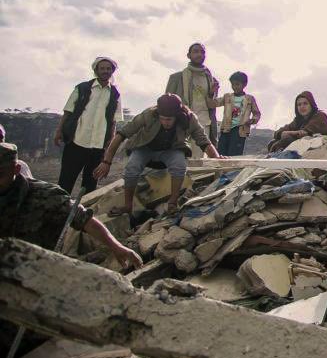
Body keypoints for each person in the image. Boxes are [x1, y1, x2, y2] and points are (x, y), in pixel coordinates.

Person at [0, 141, 142, 269]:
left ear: (17, 169)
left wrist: (116, 247)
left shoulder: (46, 196)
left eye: (0, 174)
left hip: (36, 271)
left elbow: (85, 220)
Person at [94, 94, 221, 218]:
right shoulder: (148, 114)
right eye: (163, 118)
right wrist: (106, 162)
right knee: (132, 167)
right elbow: (121, 135)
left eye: (169, 119)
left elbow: (203, 141)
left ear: (177, 116)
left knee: (180, 165)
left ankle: (172, 203)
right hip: (145, 148)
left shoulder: (189, 118)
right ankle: (128, 206)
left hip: (171, 150)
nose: (166, 122)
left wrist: (217, 159)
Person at [53, 56, 121, 194]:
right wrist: (59, 131)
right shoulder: (83, 88)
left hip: (98, 146)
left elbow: (114, 121)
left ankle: (83, 214)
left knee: (90, 185)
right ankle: (59, 211)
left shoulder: (115, 94)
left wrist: (108, 145)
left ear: (112, 71)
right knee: (66, 181)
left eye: (108, 69)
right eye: (102, 68)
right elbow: (67, 111)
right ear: (96, 70)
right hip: (77, 141)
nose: (105, 71)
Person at [165, 42, 220, 153]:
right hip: (182, 124)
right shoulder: (177, 78)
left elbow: (212, 105)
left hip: (204, 123)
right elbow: (166, 104)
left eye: (202, 52)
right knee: (180, 158)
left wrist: (212, 93)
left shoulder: (211, 80)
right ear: (188, 55)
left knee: (200, 161)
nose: (199, 54)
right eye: (196, 51)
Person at [215, 71, 261, 156]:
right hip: (226, 129)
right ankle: (221, 169)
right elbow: (214, 103)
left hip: (240, 130)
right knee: (221, 153)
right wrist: (213, 92)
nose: (235, 87)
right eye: (233, 84)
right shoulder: (227, 97)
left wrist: (252, 120)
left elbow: (257, 113)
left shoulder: (249, 99)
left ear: (244, 84)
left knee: (234, 154)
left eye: (237, 84)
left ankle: (232, 170)